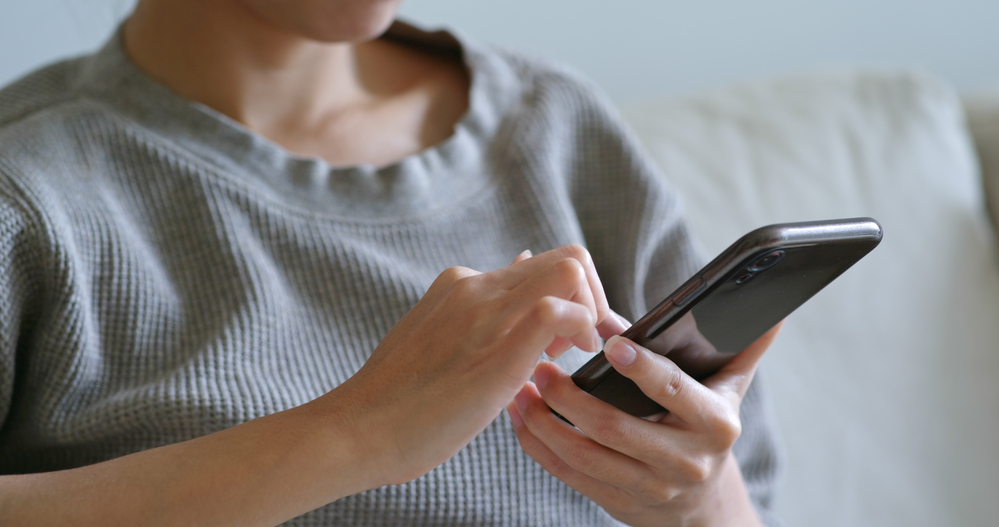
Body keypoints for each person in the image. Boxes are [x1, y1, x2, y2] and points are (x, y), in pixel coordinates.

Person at [0, 0, 784, 525]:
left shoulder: (555, 129)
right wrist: (351, 434)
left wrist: (702, 501)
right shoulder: (29, 191)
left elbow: (753, 496)